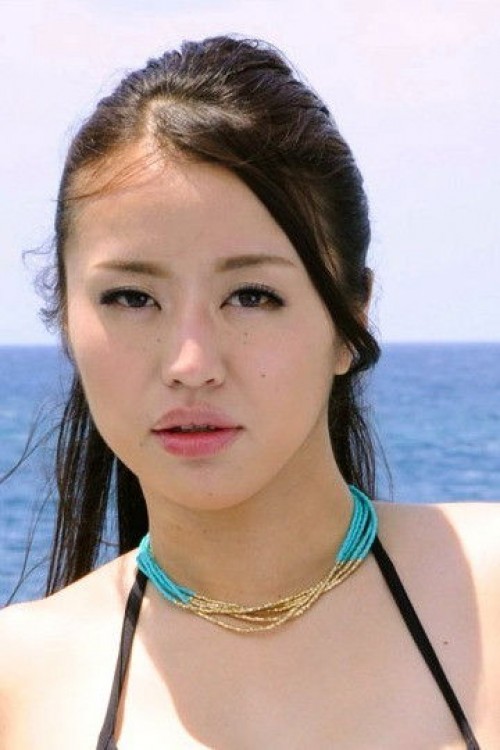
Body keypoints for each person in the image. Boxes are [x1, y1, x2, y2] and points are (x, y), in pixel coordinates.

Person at [0, 35, 498, 749]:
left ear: (349, 322)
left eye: (252, 295)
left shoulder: (488, 590)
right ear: (67, 321)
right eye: (132, 298)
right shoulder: (20, 685)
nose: (191, 363)